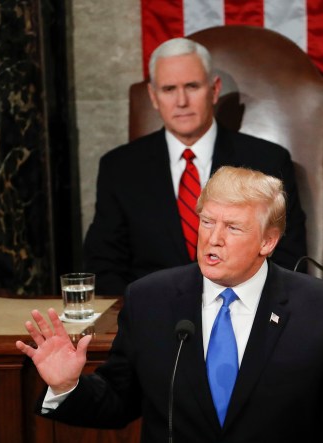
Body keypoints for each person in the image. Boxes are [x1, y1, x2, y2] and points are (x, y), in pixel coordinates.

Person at [17, 166, 323, 442]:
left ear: (268, 241)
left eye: (233, 227)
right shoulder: (150, 299)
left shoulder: (322, 310)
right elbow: (118, 400)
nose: (213, 238)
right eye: (207, 221)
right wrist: (68, 385)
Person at [84, 37, 307, 295]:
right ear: (153, 97)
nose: (181, 101)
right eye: (169, 89)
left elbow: (288, 259)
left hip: (243, 313)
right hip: (153, 315)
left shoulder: (267, 161)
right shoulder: (120, 167)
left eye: (192, 86)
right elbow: (103, 265)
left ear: (214, 90)